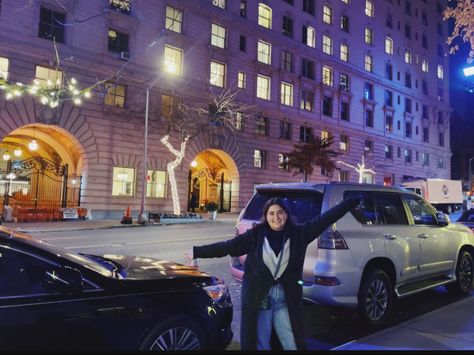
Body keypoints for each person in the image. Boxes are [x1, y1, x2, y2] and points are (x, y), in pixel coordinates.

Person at [184, 195, 361, 351]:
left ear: (286, 214)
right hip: (260, 298)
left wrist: (349, 202)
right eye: (271, 213)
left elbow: (325, 219)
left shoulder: (299, 234)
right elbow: (228, 246)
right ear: (266, 216)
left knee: (290, 337)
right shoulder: (255, 235)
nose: (276, 217)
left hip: (285, 297)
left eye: (280, 212)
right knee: (261, 339)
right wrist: (197, 251)